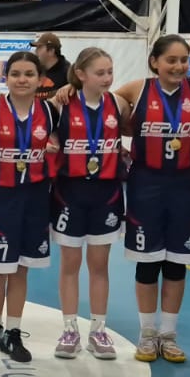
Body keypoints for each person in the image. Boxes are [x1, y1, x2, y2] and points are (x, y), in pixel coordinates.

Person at [115, 35, 190, 364]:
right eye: (171, 60)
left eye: (183, 59)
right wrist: (69, 88)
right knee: (148, 261)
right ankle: (147, 333)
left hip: (185, 185)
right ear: (154, 62)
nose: (178, 66)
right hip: (146, 184)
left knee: (176, 263)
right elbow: (102, 101)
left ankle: (168, 335)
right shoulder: (136, 89)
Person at [0, 51, 54, 363]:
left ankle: (13, 331)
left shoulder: (51, 112)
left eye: (29, 74)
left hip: (35, 198)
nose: (22, 79)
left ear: (40, 79)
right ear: (6, 77)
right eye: (15, 74)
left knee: (21, 268)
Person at [48, 47, 124, 359]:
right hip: (70, 194)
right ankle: (69, 329)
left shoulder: (119, 103)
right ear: (81, 74)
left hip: (106, 195)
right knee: (69, 264)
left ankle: (98, 331)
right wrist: (51, 142)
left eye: (110, 71)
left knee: (99, 265)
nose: (107, 78)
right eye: (100, 72)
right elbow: (45, 133)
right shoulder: (60, 104)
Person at [30, 32, 70, 100]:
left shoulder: (68, 72)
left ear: (51, 51)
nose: (36, 51)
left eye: (39, 47)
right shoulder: (35, 69)